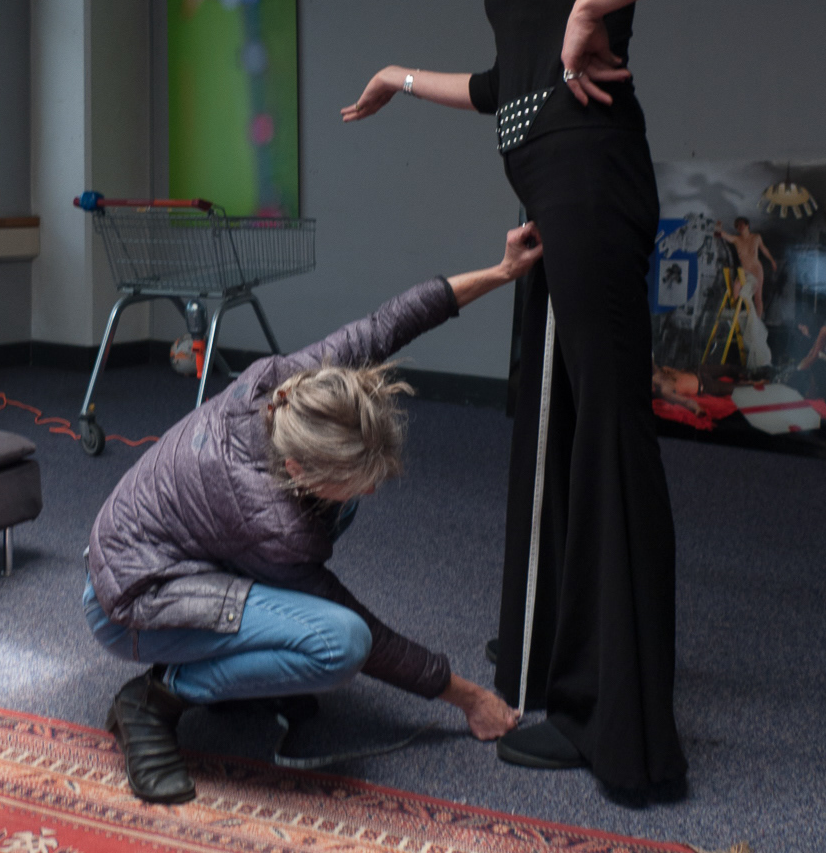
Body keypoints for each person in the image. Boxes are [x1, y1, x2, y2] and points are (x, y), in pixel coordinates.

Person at [342, 0, 758, 796]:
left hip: (591, 175)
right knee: (554, 428)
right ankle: (553, 660)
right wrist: (397, 77)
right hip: (549, 187)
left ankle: (617, 729)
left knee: (607, 435)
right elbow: (504, 84)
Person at [86, 226, 542, 804]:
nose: (372, 491)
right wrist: (469, 697)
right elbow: (368, 636)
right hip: (132, 602)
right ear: (297, 469)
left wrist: (501, 272)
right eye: (357, 478)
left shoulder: (292, 387)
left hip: (177, 548)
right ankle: (154, 701)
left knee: (338, 514)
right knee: (338, 644)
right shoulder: (274, 523)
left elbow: (390, 323)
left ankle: (241, 664)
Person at [716, 217, 778, 317]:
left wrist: (772, 261)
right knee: (736, 288)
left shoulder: (756, 237)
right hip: (745, 270)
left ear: (747, 225)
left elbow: (764, 249)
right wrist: (718, 226)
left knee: (758, 297)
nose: (740, 227)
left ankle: (758, 320)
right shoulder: (736, 239)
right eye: (737, 226)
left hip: (756, 269)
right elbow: (720, 235)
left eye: (742, 225)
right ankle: (736, 314)